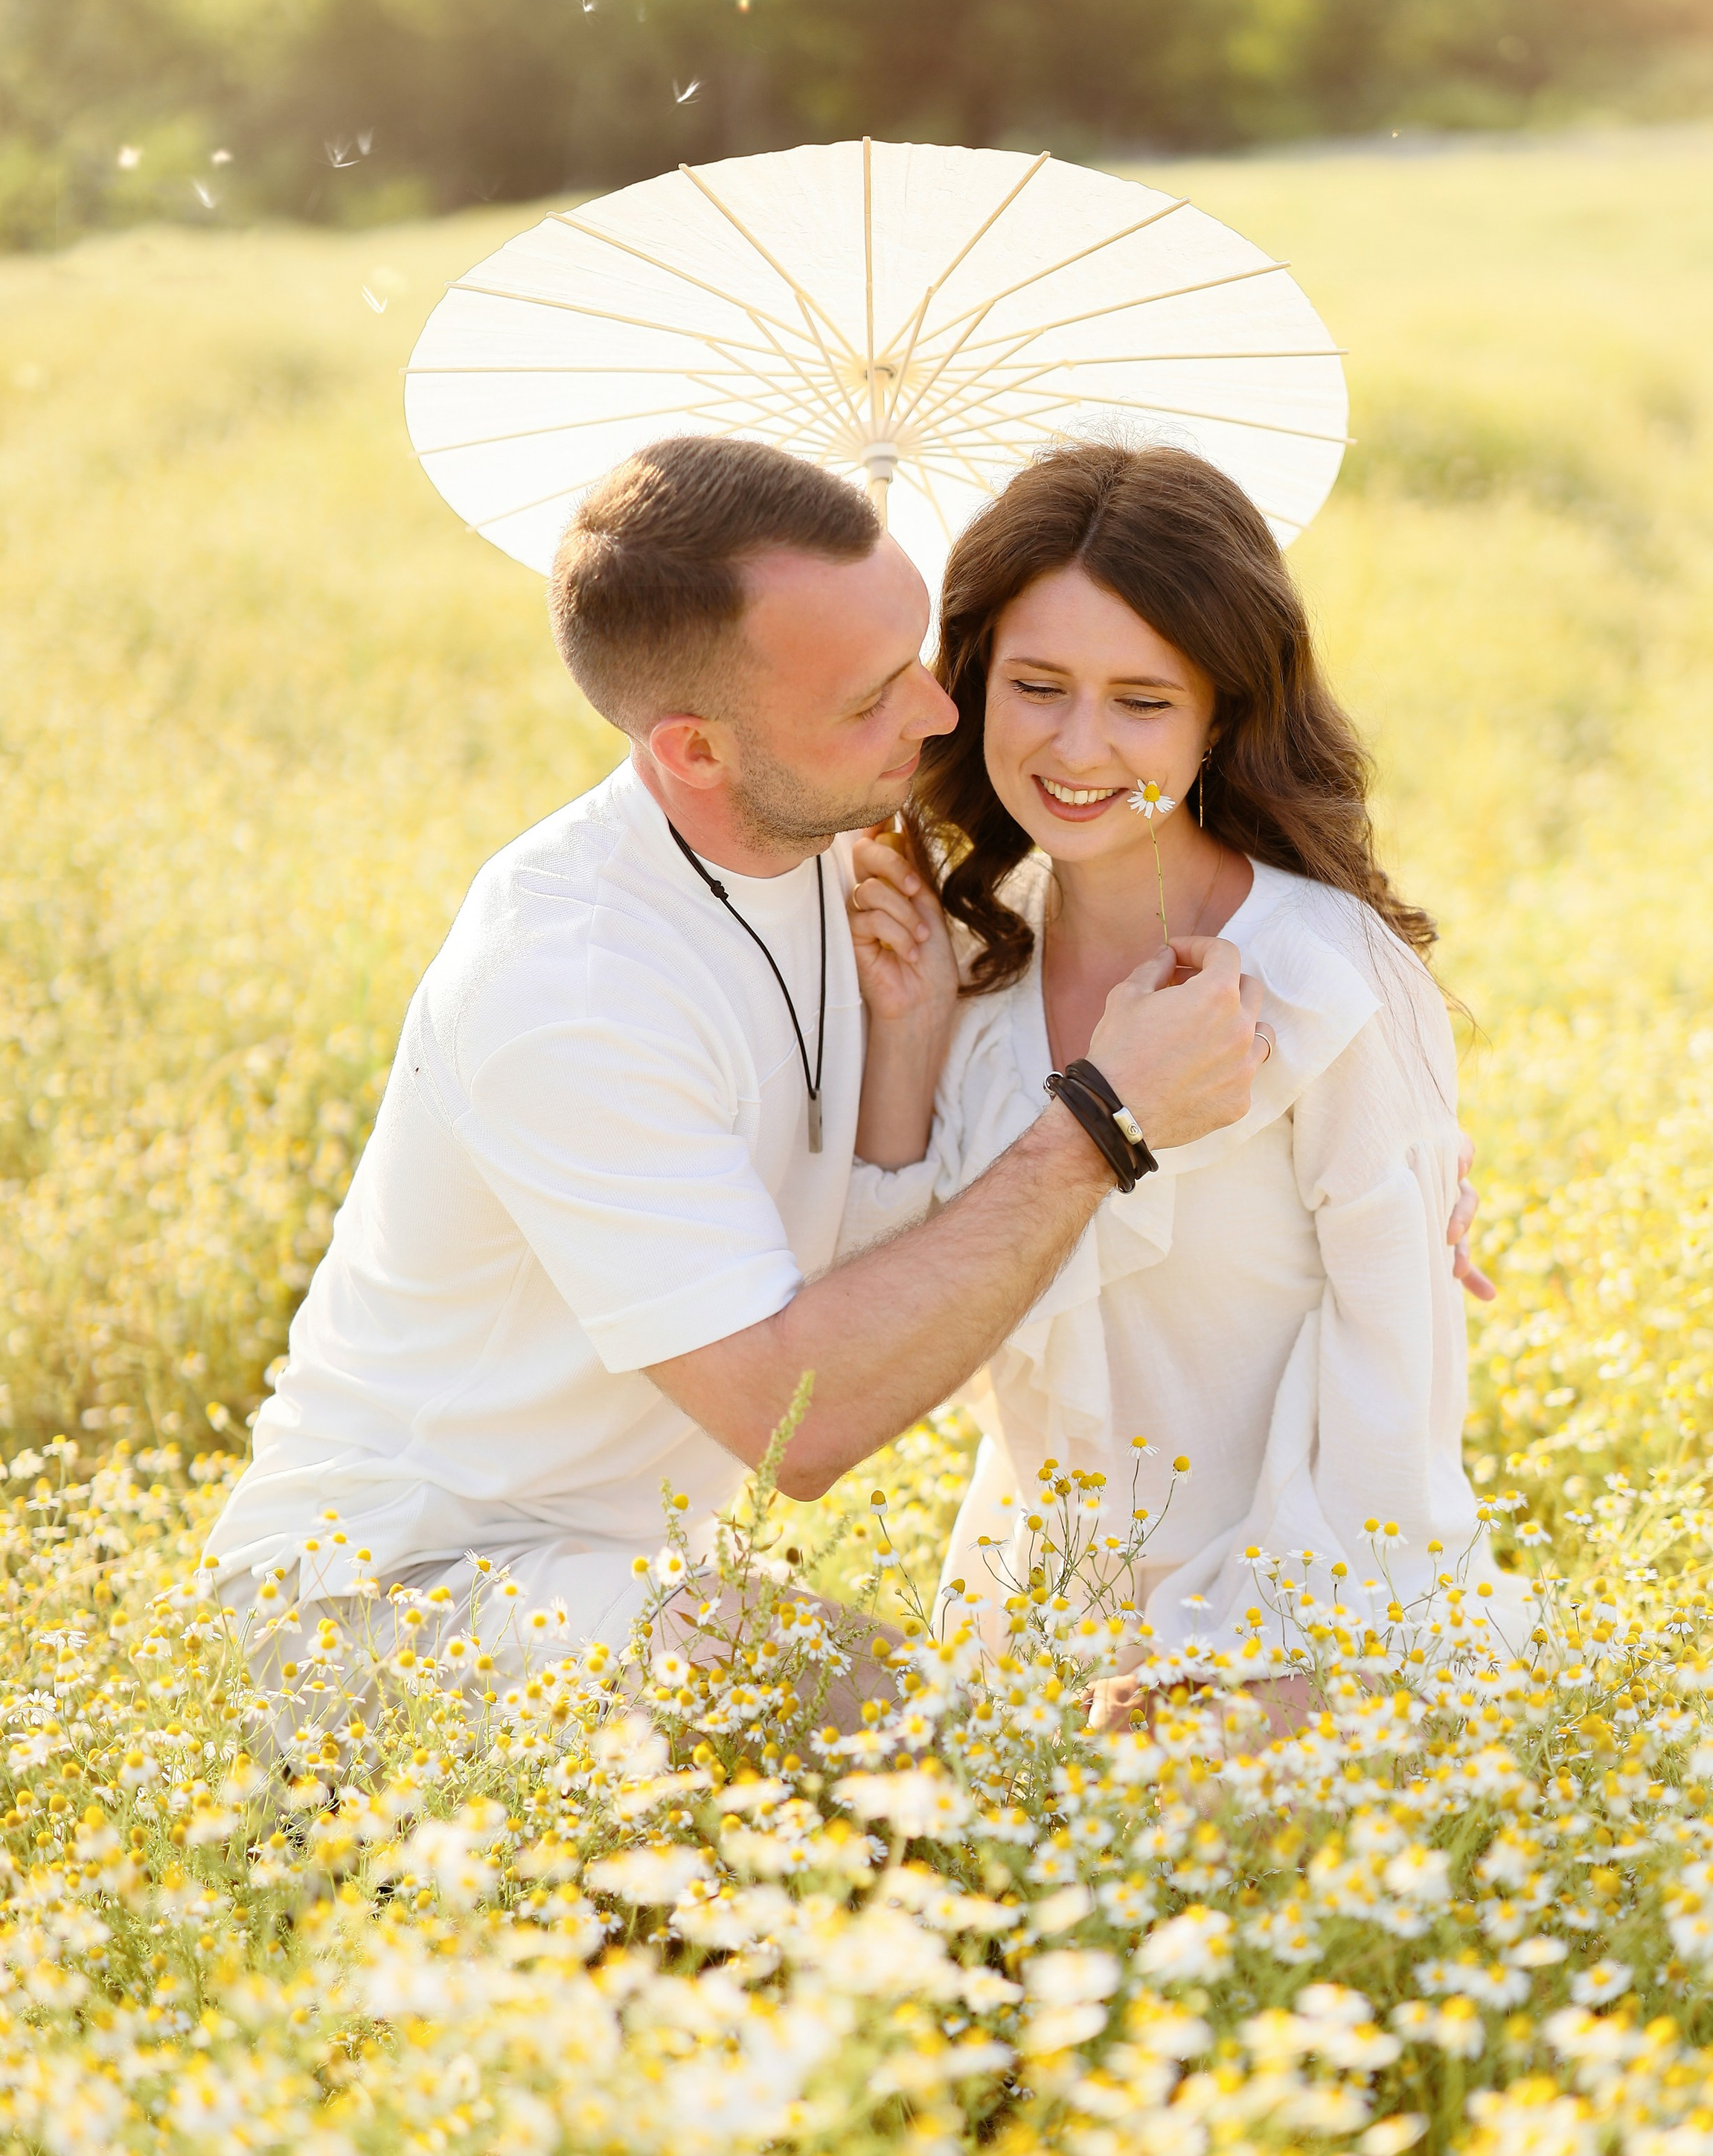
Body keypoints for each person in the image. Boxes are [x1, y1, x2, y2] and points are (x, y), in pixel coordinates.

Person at [200, 436, 1270, 1716]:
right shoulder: (570, 992)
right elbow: (794, 1426)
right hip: (392, 1595)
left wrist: (1371, 1143)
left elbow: (1079, 937)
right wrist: (1105, 1118)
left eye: (916, 654)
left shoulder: (835, 826)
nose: (937, 714)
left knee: (972, 1764)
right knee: (943, 1755)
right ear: (697, 753)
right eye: (871, 696)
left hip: (631, 1576)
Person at [846, 441, 1523, 1686]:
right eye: (1037, 685)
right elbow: (889, 1327)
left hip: (1314, 1628)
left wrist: (1231, 1674)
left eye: (1144, 702)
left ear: (1223, 716)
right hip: (1031, 1630)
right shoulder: (967, 967)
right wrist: (903, 1036)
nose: (1079, 748)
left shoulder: (1325, 976)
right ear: (972, 681)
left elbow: (1394, 1416)